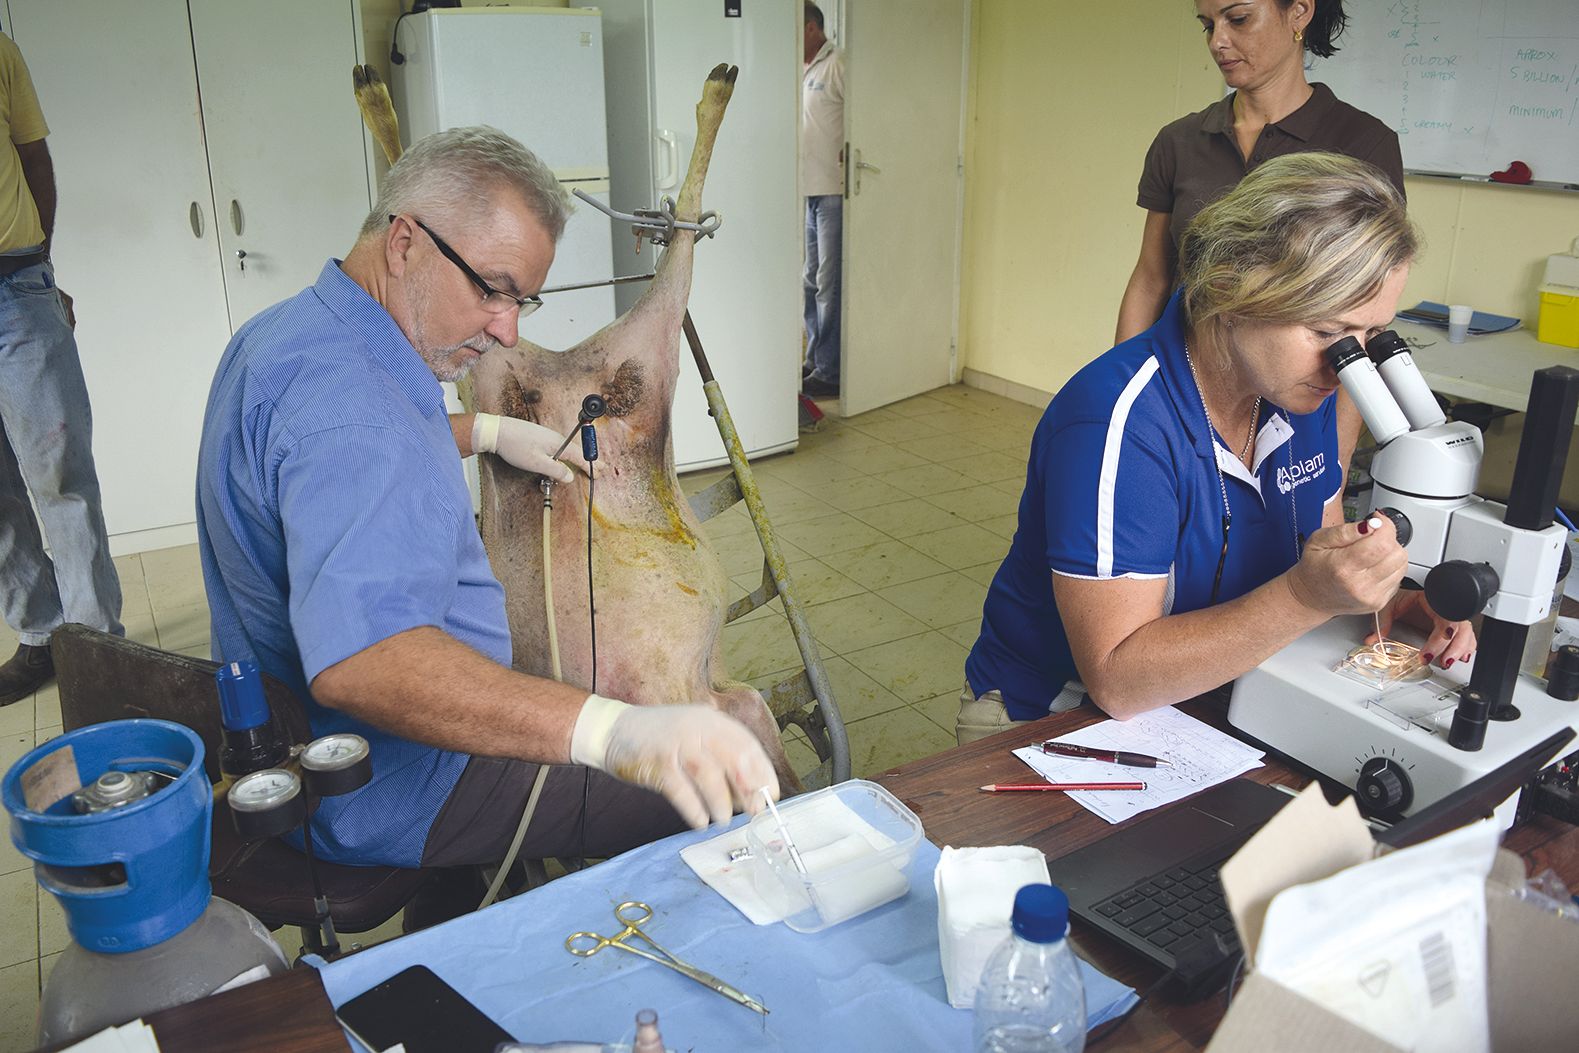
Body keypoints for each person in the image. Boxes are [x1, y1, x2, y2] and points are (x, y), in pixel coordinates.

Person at [197, 127, 777, 880]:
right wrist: (611, 731)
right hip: (406, 783)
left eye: (521, 298)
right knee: (723, 786)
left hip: (297, 752)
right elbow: (365, 663)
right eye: (490, 288)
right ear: (404, 241)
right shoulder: (356, 417)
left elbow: (321, 460)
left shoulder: (291, 337)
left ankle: (458, 911)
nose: (507, 327)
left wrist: (485, 431)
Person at [957, 153, 1474, 743]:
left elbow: (1324, 546)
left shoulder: (1302, 388)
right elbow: (1117, 678)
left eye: (1370, 334)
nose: (1346, 365)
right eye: (1330, 333)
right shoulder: (1118, 423)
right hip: (1055, 718)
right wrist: (1309, 597)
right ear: (1232, 291)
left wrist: (1382, 600)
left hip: (1216, 695)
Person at [1115, 0, 1404, 345]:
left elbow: (1367, 305)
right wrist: (1121, 376)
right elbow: (1151, 278)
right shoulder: (1179, 141)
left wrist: (1347, 398)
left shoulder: (1365, 143)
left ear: (1299, 11)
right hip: (1186, 371)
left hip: (1306, 385)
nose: (1217, 42)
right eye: (1208, 25)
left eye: (1238, 19)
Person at [0, 31, 122, 706]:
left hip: (14, 290)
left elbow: (33, 157)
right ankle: (42, 634)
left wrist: (40, 265)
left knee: (61, 478)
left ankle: (97, 646)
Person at [800, 1, 845, 400]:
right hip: (806, 191)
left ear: (813, 28)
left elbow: (865, 117)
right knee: (809, 280)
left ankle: (831, 371)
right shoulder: (800, 70)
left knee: (829, 284)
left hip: (833, 191)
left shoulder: (838, 64)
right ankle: (815, 360)